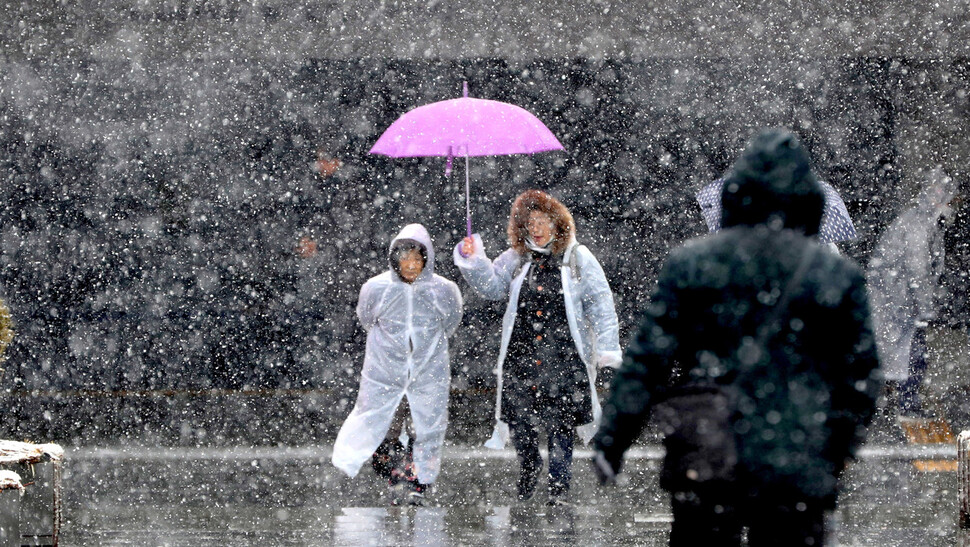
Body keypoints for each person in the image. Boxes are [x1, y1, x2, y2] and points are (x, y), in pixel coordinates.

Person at [592, 130, 882, 546]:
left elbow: (649, 357)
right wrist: (833, 449)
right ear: (809, 199)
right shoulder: (833, 273)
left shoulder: (693, 263)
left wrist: (614, 438)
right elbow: (860, 376)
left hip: (707, 449)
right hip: (795, 458)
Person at [454, 189, 621, 505]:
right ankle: (530, 464)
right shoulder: (517, 258)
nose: (537, 228)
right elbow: (491, 287)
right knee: (519, 420)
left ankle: (559, 487)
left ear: (558, 223)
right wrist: (472, 258)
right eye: (530, 221)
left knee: (562, 422)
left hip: (564, 356)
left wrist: (608, 350)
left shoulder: (577, 257)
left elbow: (601, 304)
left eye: (543, 220)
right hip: (521, 357)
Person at [332, 223, 463, 505]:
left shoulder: (443, 290)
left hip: (427, 373)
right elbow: (367, 320)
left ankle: (416, 482)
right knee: (384, 425)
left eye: (417, 259)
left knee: (424, 428)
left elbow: (451, 322)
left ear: (426, 259)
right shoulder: (376, 288)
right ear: (395, 259)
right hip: (387, 373)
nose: (411, 265)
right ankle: (394, 472)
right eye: (405, 258)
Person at [866, 167, 956, 418]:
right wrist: (926, 305)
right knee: (912, 355)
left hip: (897, 298)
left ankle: (899, 403)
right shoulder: (918, 223)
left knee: (904, 354)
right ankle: (907, 405)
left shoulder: (921, 220)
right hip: (898, 300)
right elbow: (918, 269)